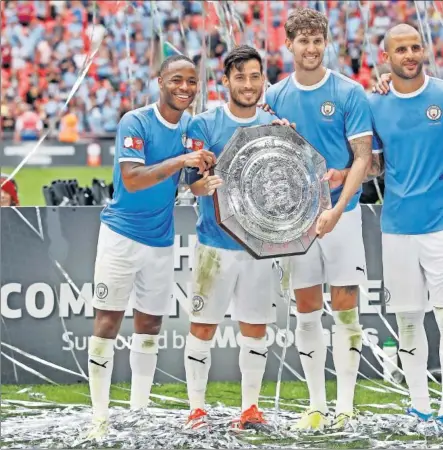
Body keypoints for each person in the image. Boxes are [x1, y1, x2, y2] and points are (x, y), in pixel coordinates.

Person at [86, 54, 216, 439]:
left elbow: (191, 181)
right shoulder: (136, 121)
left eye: (192, 82)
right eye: (177, 80)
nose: (184, 88)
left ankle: (138, 412)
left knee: (150, 326)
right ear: (160, 82)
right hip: (121, 236)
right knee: (107, 322)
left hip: (160, 239)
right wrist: (182, 160)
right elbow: (134, 178)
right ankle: (99, 417)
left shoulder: (192, 126)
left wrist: (201, 182)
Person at [263, 8, 375, 430]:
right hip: (295, 220)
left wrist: (337, 208)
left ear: (325, 43)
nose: (311, 48)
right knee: (306, 307)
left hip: (341, 213)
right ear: (288, 44)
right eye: (302, 40)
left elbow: (363, 158)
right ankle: (315, 405)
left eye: (317, 40)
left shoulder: (349, 92)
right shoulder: (273, 97)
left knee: (346, 304)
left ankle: (345, 405)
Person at [183, 45, 292, 432]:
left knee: (255, 328)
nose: (248, 84)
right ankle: (196, 409)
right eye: (240, 76)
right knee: (202, 326)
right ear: (226, 80)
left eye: (255, 76)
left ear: (264, 80)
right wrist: (203, 185)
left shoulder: (275, 125)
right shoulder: (204, 125)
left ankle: (250, 408)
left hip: (257, 247)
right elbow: (191, 186)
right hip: (214, 246)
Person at [370, 24, 443, 424]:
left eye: (416, 47)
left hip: (440, 227)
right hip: (396, 227)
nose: (411, 54)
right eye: (401, 49)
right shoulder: (374, 104)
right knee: (408, 321)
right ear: (387, 57)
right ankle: (420, 406)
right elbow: (374, 164)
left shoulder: (441, 94)